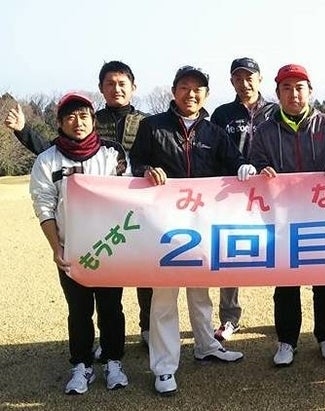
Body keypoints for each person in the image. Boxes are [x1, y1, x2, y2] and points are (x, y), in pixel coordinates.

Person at [4, 61, 153, 346]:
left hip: (135, 208)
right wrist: (24, 131)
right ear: (101, 88)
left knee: (146, 276)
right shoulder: (88, 117)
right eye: (110, 84)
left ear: (134, 87)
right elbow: (55, 151)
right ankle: (94, 351)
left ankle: (147, 329)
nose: (116, 89)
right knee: (96, 299)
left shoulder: (149, 123)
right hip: (92, 227)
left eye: (122, 83)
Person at [130, 65, 252, 395]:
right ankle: (164, 367)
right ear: (174, 92)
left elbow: (234, 161)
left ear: (206, 95)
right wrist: (146, 170)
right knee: (164, 297)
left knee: (201, 290)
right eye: (184, 87)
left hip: (202, 222)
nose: (191, 94)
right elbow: (135, 163)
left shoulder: (214, 132)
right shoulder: (152, 126)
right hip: (164, 224)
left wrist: (244, 166)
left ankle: (206, 346)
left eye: (198, 89)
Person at [247, 63, 325, 366]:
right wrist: (258, 170)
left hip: (322, 214)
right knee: (286, 280)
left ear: (310, 91)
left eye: (299, 87)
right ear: (278, 93)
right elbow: (256, 161)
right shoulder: (265, 130)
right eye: (286, 88)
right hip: (282, 217)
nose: (293, 94)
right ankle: (286, 340)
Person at [29, 93, 129, 394]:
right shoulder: (48, 159)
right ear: (60, 123)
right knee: (79, 310)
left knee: (111, 308)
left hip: (109, 247)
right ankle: (81, 365)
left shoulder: (112, 153)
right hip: (71, 249)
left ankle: (113, 360)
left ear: (93, 120)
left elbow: (127, 194)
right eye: (70, 116)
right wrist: (56, 248)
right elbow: (44, 205)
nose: (78, 122)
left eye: (84, 115)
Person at [210, 57, 277, 342]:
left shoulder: (275, 110)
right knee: (229, 253)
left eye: (249, 77)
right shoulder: (222, 114)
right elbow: (214, 151)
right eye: (238, 78)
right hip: (232, 193)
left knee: (281, 249)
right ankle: (229, 318)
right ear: (232, 82)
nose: (244, 83)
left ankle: (285, 318)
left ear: (260, 79)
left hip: (272, 191)